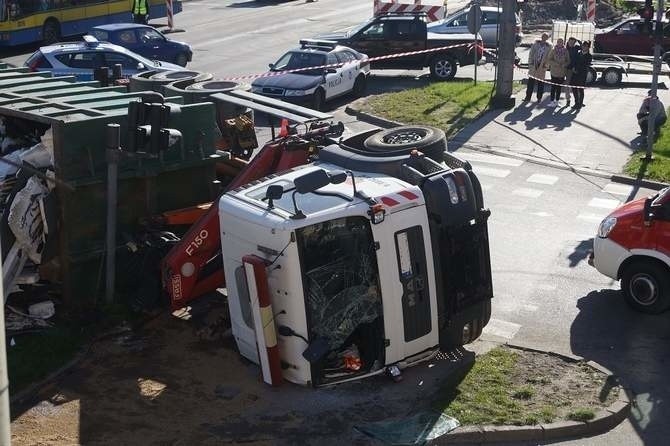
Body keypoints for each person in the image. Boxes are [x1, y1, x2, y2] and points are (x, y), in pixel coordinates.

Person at [523, 33, 552, 103]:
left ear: (547, 38)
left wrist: (546, 66)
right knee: (530, 82)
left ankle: (539, 98)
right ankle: (528, 97)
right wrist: (530, 63)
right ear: (541, 37)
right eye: (543, 36)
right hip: (534, 66)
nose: (544, 38)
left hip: (542, 67)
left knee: (540, 83)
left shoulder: (549, 47)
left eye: (546, 37)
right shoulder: (535, 44)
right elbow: (531, 54)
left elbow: (549, 57)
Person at [546, 38, 570, 107]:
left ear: (563, 43)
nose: (560, 43)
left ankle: (557, 101)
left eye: (561, 42)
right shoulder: (553, 50)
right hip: (554, 72)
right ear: (557, 42)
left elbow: (568, 61)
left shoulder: (566, 51)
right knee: (553, 87)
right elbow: (549, 59)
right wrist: (555, 63)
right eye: (559, 42)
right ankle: (551, 101)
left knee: (559, 88)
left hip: (562, 72)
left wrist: (564, 64)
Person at [571, 40, 592, 109]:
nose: (583, 47)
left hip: (582, 74)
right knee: (574, 88)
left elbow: (586, 65)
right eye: (583, 45)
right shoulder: (578, 53)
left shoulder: (589, 56)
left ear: (588, 47)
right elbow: (574, 61)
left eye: (585, 46)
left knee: (580, 89)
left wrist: (578, 70)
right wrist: (573, 68)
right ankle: (576, 102)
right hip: (575, 73)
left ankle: (580, 103)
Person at [564, 37, 580, 106]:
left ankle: (579, 100)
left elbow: (583, 47)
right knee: (567, 85)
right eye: (570, 42)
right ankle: (568, 99)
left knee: (576, 85)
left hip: (574, 68)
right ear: (568, 41)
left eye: (573, 42)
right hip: (566, 68)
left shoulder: (576, 47)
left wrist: (578, 40)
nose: (571, 43)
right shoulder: (565, 48)